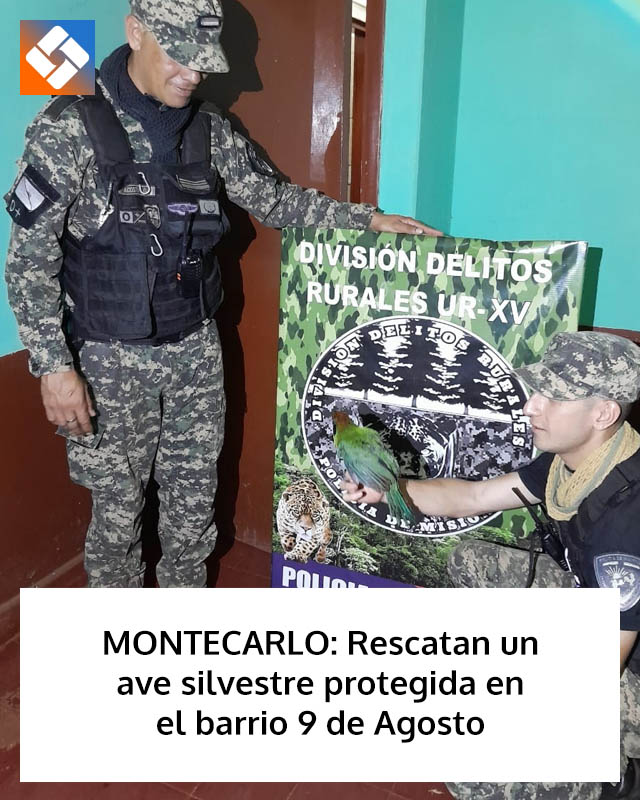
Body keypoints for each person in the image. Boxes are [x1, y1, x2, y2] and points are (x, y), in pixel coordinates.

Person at [5, 0, 441, 589]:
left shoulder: (209, 130)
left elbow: (274, 199)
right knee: (117, 520)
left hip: (195, 351)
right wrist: (54, 368)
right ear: (136, 33)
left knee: (193, 510)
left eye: (203, 62)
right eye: (180, 57)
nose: (193, 74)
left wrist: (367, 220)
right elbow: (29, 258)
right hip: (109, 360)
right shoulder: (70, 127)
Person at [341, 330, 640, 800]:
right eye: (537, 391)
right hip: (591, 607)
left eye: (553, 397)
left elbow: (602, 662)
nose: (531, 406)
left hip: (624, 664)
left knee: (474, 775)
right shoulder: (577, 459)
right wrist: (391, 491)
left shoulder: (626, 518)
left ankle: (612, 776)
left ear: (603, 413)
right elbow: (476, 496)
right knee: (472, 561)